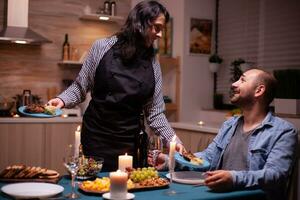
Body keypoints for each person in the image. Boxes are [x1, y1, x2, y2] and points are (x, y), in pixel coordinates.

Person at [48, 0, 183, 171]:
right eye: (157, 28)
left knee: (129, 190)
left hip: (131, 143)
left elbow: (155, 113)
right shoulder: (102, 47)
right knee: (95, 188)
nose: (160, 35)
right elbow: (80, 86)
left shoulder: (152, 63)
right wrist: (61, 100)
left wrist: (173, 141)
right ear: (140, 23)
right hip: (96, 139)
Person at [153, 68, 297, 200]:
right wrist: (169, 160)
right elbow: (207, 158)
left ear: (259, 90)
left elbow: (275, 175)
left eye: (242, 80)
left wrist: (233, 179)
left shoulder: (283, 131)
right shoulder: (230, 124)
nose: (234, 84)